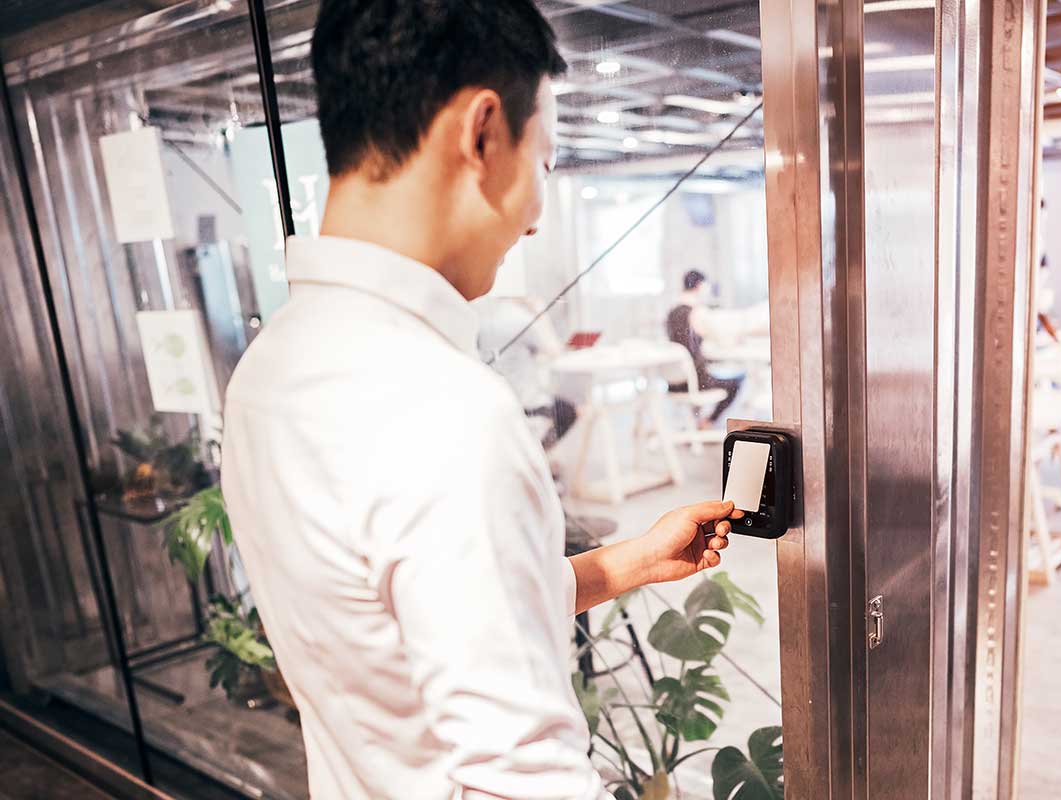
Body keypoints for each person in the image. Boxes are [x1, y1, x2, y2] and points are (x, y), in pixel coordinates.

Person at [218, 3, 738, 799]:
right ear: (483, 133)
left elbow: (404, 633)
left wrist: (631, 561)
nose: (534, 218)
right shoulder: (445, 412)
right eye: (547, 161)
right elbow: (524, 781)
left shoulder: (269, 369)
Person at [473, 293, 576, 448]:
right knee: (570, 412)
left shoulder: (483, 320)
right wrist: (541, 314)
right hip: (529, 404)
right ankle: (542, 457)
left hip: (498, 402)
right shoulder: (523, 320)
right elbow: (554, 352)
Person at [665, 269, 743, 424]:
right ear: (699, 286)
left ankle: (699, 422)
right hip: (695, 381)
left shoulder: (672, 313)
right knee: (738, 380)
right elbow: (721, 338)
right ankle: (708, 422)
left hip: (675, 382)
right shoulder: (697, 312)